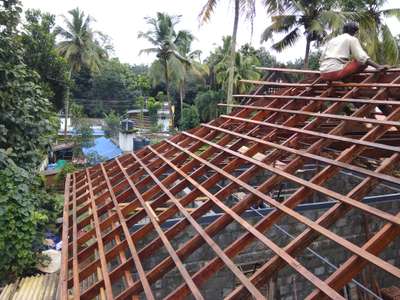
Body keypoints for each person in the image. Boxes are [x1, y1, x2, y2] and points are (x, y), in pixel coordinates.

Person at [320, 22, 387, 81]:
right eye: (355, 31)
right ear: (353, 31)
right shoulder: (351, 39)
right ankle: (347, 78)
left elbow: (321, 58)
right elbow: (362, 57)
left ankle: (346, 77)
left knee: (351, 62)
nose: (355, 33)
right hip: (335, 72)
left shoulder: (332, 40)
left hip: (323, 73)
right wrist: (378, 66)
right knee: (362, 63)